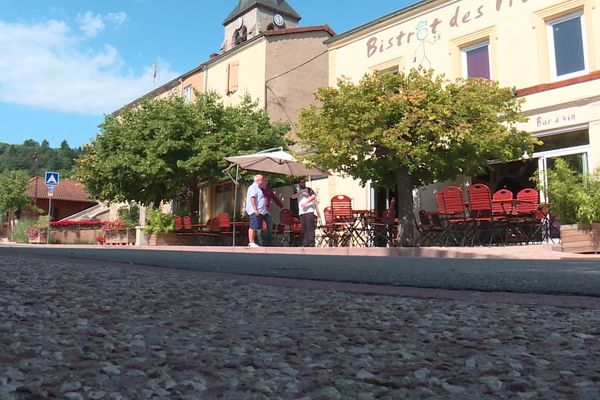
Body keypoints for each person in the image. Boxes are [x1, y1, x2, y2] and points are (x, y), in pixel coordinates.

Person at [291, 178, 317, 247]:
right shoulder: (298, 191)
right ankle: (305, 243)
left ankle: (312, 243)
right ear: (299, 183)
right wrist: (301, 193)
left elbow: (313, 196)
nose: (303, 183)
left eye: (304, 182)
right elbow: (292, 197)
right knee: (304, 228)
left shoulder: (308, 189)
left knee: (310, 227)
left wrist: (306, 202)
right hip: (302, 212)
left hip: (309, 211)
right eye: (301, 182)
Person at [260, 176, 284, 246]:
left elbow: (275, 198)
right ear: (261, 181)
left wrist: (281, 206)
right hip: (259, 210)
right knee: (260, 228)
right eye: (265, 180)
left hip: (266, 211)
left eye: (267, 181)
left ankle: (269, 243)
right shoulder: (259, 190)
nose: (266, 182)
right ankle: (261, 243)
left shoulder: (268, 190)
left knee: (269, 226)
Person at [245, 175, 266, 248]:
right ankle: (251, 242)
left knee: (256, 226)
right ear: (258, 180)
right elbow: (252, 198)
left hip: (260, 211)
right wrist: (255, 209)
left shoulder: (258, 188)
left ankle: (252, 241)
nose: (263, 181)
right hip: (255, 211)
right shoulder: (253, 187)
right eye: (262, 180)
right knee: (253, 226)